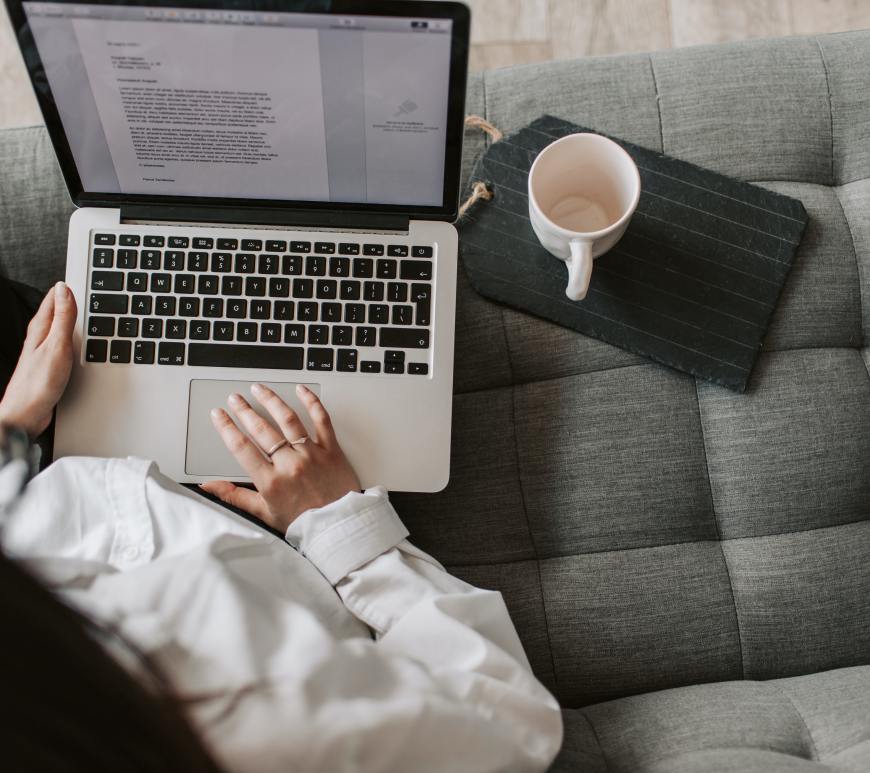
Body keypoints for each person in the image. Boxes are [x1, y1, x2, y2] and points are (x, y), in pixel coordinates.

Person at [0, 279, 563, 772]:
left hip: (37, 466)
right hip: (290, 536)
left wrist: (12, 429)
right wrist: (338, 521)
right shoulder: (250, 710)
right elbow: (514, 727)